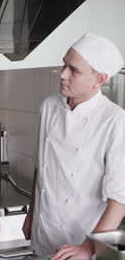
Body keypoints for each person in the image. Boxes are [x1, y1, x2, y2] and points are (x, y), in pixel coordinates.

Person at [22, 33, 125, 260]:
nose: (62, 74)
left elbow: (119, 200)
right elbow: (41, 168)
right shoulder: (49, 106)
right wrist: (32, 214)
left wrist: (89, 247)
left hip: (82, 241)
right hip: (43, 233)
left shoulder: (115, 121)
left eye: (74, 70)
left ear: (99, 79)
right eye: (64, 64)